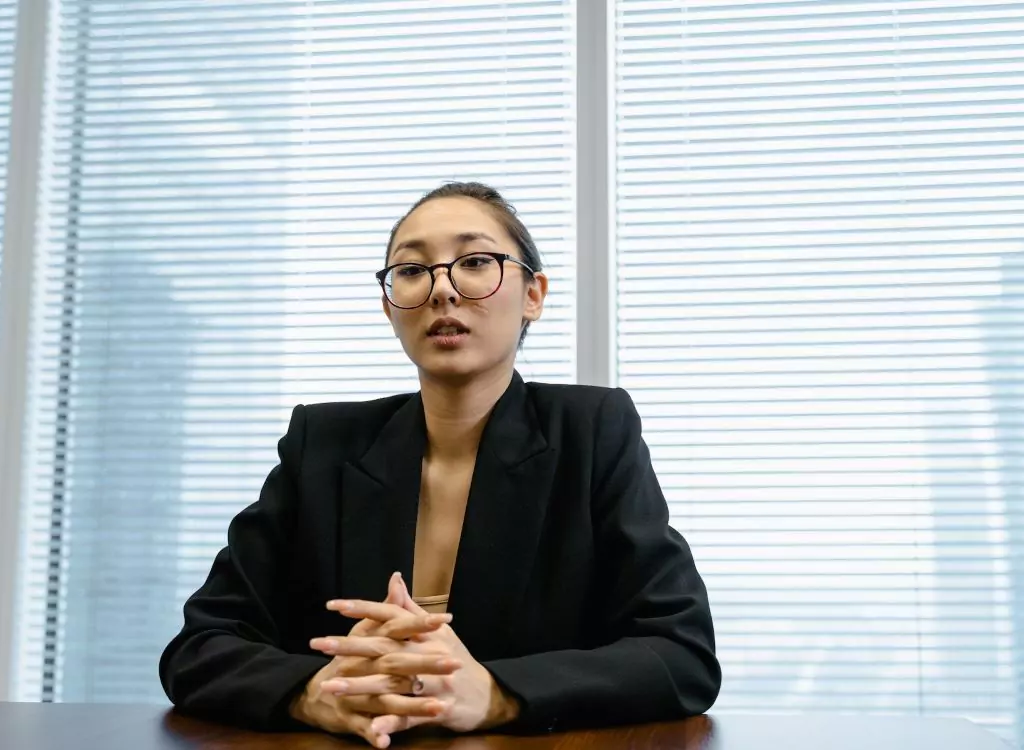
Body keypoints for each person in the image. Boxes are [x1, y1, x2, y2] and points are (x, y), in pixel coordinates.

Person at [159, 182, 721, 747]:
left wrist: (496, 693)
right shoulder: (322, 443)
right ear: (388, 304)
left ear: (534, 294)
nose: (442, 290)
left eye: (475, 262)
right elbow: (200, 647)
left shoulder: (593, 430)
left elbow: (681, 654)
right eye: (411, 270)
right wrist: (315, 694)